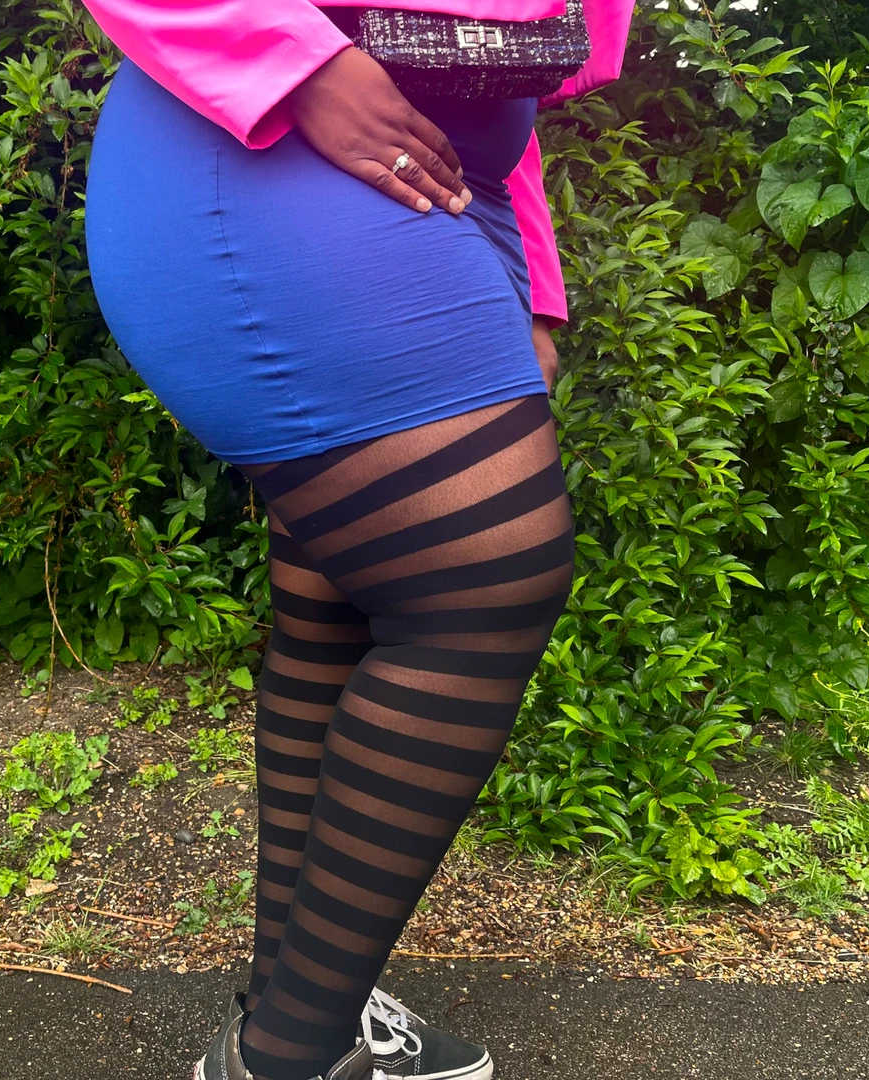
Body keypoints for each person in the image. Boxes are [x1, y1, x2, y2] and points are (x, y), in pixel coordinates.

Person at [81, 3, 635, 1078]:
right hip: (269, 140)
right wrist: (298, 65)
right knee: (480, 587)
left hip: (445, 186)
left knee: (337, 607)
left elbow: (487, 62)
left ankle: (295, 1010)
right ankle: (288, 1056)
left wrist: (529, 274)